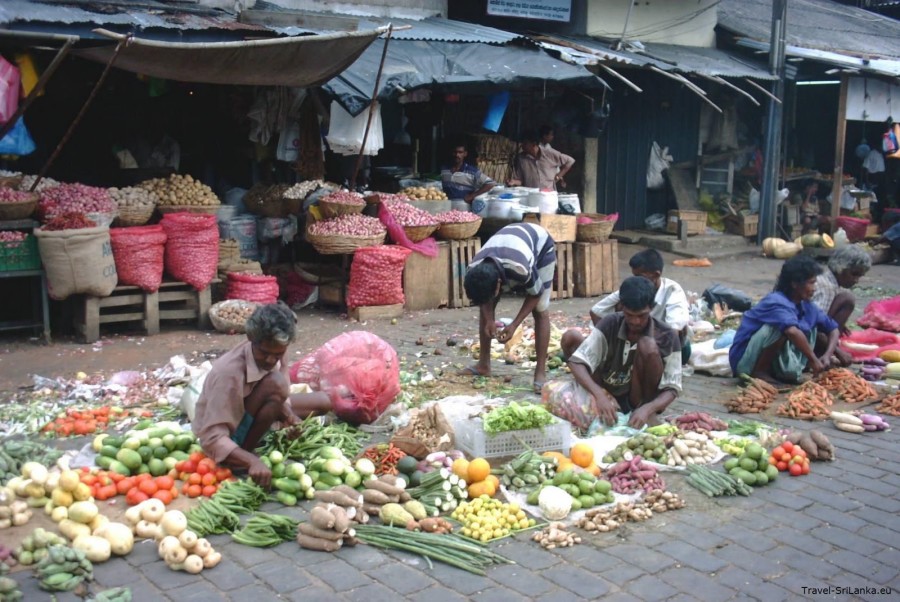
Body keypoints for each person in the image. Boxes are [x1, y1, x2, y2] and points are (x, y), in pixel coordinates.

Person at [192, 302, 331, 487]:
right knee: (275, 384)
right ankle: (244, 453)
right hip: (230, 430)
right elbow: (211, 438)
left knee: (324, 401)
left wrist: (289, 417)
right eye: (265, 353)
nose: (271, 360)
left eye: (278, 354)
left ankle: (262, 434)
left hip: (255, 405)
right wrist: (252, 461)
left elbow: (281, 394)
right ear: (251, 338)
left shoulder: (277, 348)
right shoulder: (228, 373)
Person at [567, 276, 682, 429]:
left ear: (651, 308)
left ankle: (643, 411)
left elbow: (673, 388)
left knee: (647, 345)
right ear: (621, 307)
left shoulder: (667, 335)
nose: (635, 322)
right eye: (629, 315)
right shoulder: (610, 323)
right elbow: (576, 362)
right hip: (608, 388)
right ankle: (610, 405)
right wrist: (600, 395)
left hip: (638, 396)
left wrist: (648, 409)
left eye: (641, 315)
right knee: (571, 337)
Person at [459, 223, 556, 393]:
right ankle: (484, 365)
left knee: (540, 310)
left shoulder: (520, 268)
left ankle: (540, 372)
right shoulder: (473, 269)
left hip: (541, 247)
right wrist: (489, 320)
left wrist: (514, 325)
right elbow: (484, 301)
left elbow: (536, 293)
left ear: (499, 285)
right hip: (505, 249)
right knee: (485, 307)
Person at [561, 249, 691, 364]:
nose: (636, 280)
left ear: (656, 275)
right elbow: (596, 311)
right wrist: (607, 341)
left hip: (671, 347)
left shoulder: (673, 291)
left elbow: (673, 331)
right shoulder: (634, 287)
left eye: (640, 276)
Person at [729, 255, 840, 385]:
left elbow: (833, 329)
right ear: (794, 284)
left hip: (770, 356)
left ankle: (781, 371)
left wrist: (827, 355)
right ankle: (759, 372)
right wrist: (813, 360)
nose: (814, 288)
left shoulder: (806, 305)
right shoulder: (776, 302)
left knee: (813, 327)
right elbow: (792, 332)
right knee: (782, 328)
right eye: (811, 283)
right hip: (745, 360)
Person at [811, 245, 871, 343]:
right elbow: (814, 327)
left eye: (859, 276)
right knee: (847, 299)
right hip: (806, 337)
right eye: (854, 274)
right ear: (840, 268)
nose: (856, 280)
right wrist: (837, 351)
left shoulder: (824, 278)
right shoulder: (827, 287)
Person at [508, 130, 574, 190]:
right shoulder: (521, 158)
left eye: (525, 143)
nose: (522, 146)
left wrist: (558, 176)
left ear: (534, 144)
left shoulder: (549, 153)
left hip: (548, 196)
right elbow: (521, 180)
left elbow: (570, 161)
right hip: (531, 196)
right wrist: (514, 182)